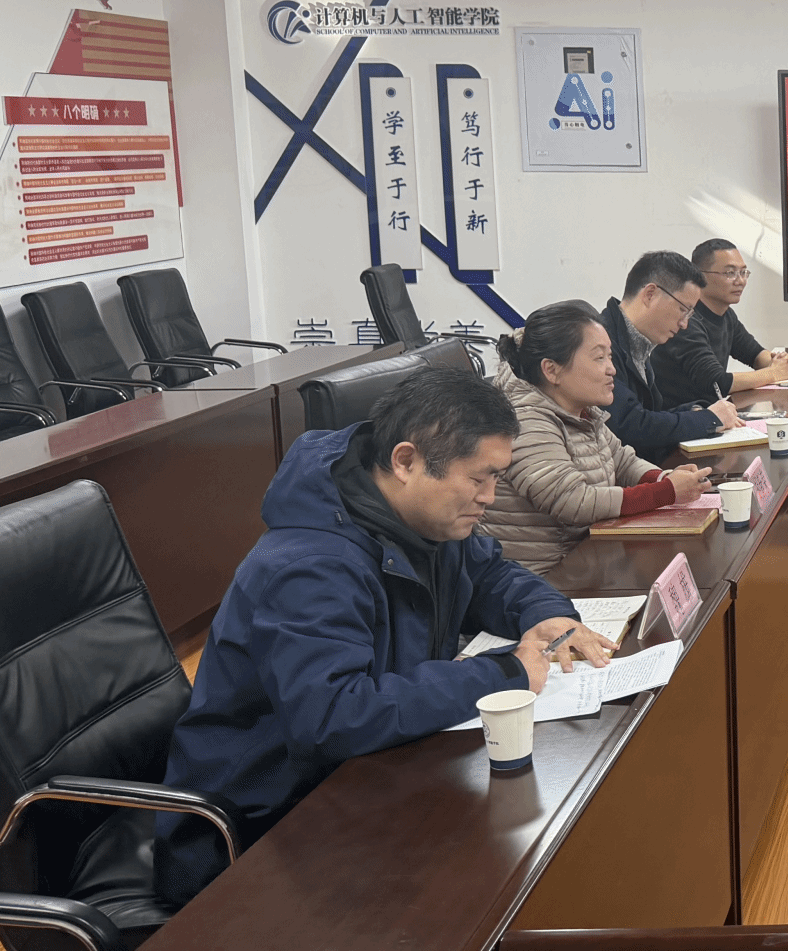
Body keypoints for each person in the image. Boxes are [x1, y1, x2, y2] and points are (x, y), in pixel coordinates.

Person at [155, 368, 616, 907]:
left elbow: (489, 574)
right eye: (479, 478)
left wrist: (548, 615)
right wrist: (502, 673)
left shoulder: (423, 519)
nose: (491, 497)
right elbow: (333, 717)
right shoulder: (309, 567)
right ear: (405, 461)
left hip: (370, 771)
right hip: (265, 823)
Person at [485, 300, 714, 572]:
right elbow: (573, 501)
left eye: (610, 356)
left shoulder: (580, 410)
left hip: (587, 559)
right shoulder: (525, 421)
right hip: (544, 576)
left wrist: (664, 478)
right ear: (551, 370)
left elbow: (623, 461)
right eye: (598, 358)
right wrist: (666, 492)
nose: (611, 369)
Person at [600, 249, 741, 462]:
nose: (684, 324)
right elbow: (629, 426)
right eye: (683, 310)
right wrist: (709, 418)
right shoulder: (603, 344)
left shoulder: (638, 341)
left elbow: (649, 413)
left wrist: (694, 410)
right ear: (650, 294)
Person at [653, 239, 788, 405]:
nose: (740, 281)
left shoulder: (727, 315)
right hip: (678, 415)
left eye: (743, 272)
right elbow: (718, 383)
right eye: (730, 273)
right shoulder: (685, 321)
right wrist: (774, 373)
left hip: (709, 412)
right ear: (700, 276)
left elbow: (755, 354)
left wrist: (780, 361)